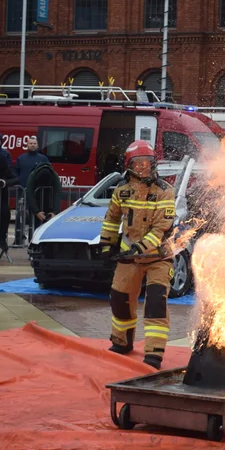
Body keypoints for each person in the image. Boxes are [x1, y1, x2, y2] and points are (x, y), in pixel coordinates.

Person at [96, 140, 177, 369]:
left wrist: (139, 249)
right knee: (119, 298)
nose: (143, 168)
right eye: (138, 164)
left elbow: (161, 229)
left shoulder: (164, 191)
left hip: (158, 258)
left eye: (147, 163)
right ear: (129, 165)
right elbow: (111, 220)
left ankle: (154, 353)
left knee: (155, 303)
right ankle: (121, 342)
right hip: (129, 258)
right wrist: (106, 246)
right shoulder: (121, 191)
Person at [14, 136, 49, 246]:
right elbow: (16, 173)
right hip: (23, 192)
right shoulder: (21, 158)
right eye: (30, 143)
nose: (33, 145)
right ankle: (18, 239)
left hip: (37, 193)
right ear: (27, 145)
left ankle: (34, 239)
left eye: (34, 143)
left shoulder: (43, 159)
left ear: (37, 145)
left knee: (36, 217)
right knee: (20, 216)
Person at [26, 160, 63, 231]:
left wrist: (54, 212)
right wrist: (36, 211)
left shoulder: (54, 175)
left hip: (49, 199)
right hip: (37, 198)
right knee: (34, 226)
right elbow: (29, 193)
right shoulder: (33, 175)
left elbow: (57, 194)